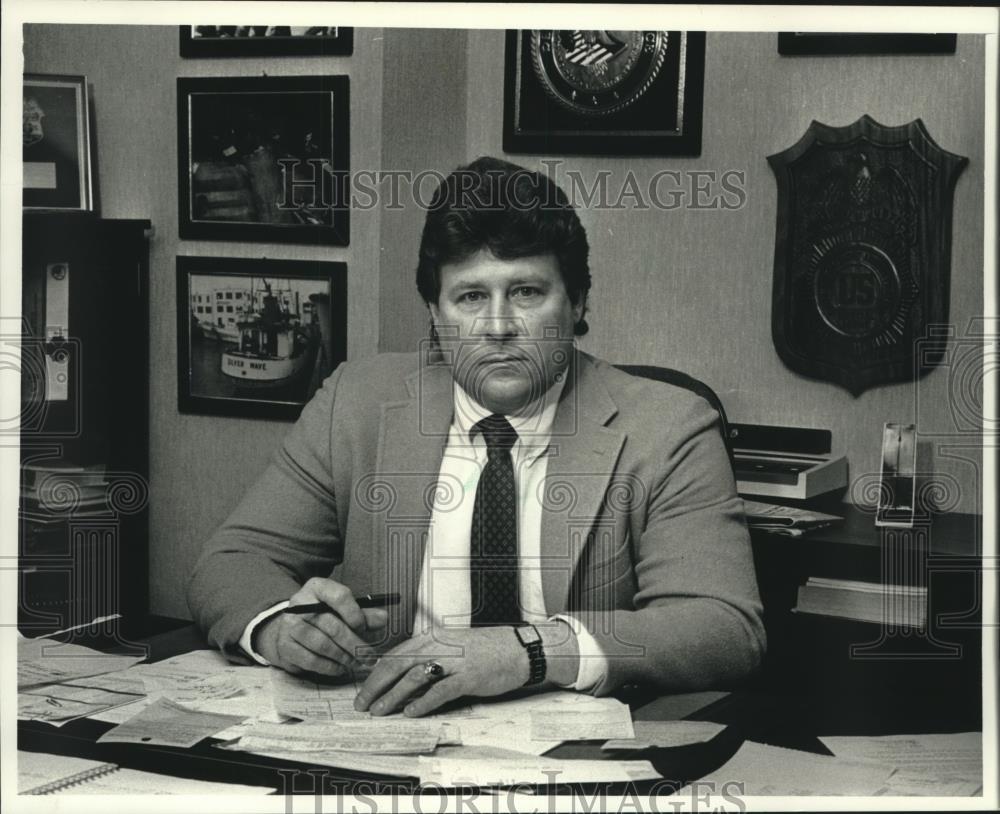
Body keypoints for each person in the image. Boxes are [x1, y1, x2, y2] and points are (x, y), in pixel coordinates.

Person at [187, 156, 765, 718]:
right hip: (389, 733)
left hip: (573, 756)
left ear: (579, 301)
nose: (498, 327)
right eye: (470, 297)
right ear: (435, 316)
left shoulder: (668, 427)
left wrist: (529, 652)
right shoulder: (356, 403)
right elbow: (233, 560)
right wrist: (281, 627)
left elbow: (722, 626)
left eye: (527, 292)